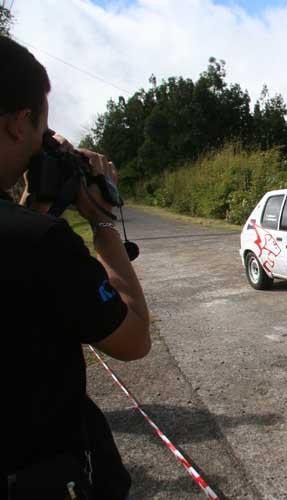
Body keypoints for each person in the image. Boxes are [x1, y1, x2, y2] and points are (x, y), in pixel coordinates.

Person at [1, 36, 151, 499]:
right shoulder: (40, 244)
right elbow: (133, 338)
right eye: (41, 131)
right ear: (19, 123)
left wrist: (36, 205)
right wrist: (103, 222)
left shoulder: (29, 236)